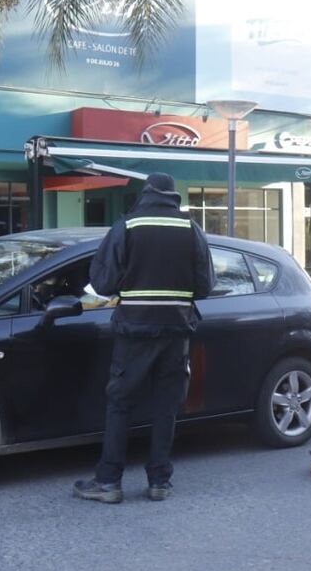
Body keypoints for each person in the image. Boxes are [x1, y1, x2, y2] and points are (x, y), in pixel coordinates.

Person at [73, 172, 214, 504]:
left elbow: (104, 282)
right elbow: (205, 286)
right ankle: (159, 483)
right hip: (177, 330)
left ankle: (109, 482)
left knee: (120, 404)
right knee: (166, 406)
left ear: (145, 193)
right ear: (173, 195)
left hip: (135, 330)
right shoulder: (190, 229)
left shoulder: (127, 226)